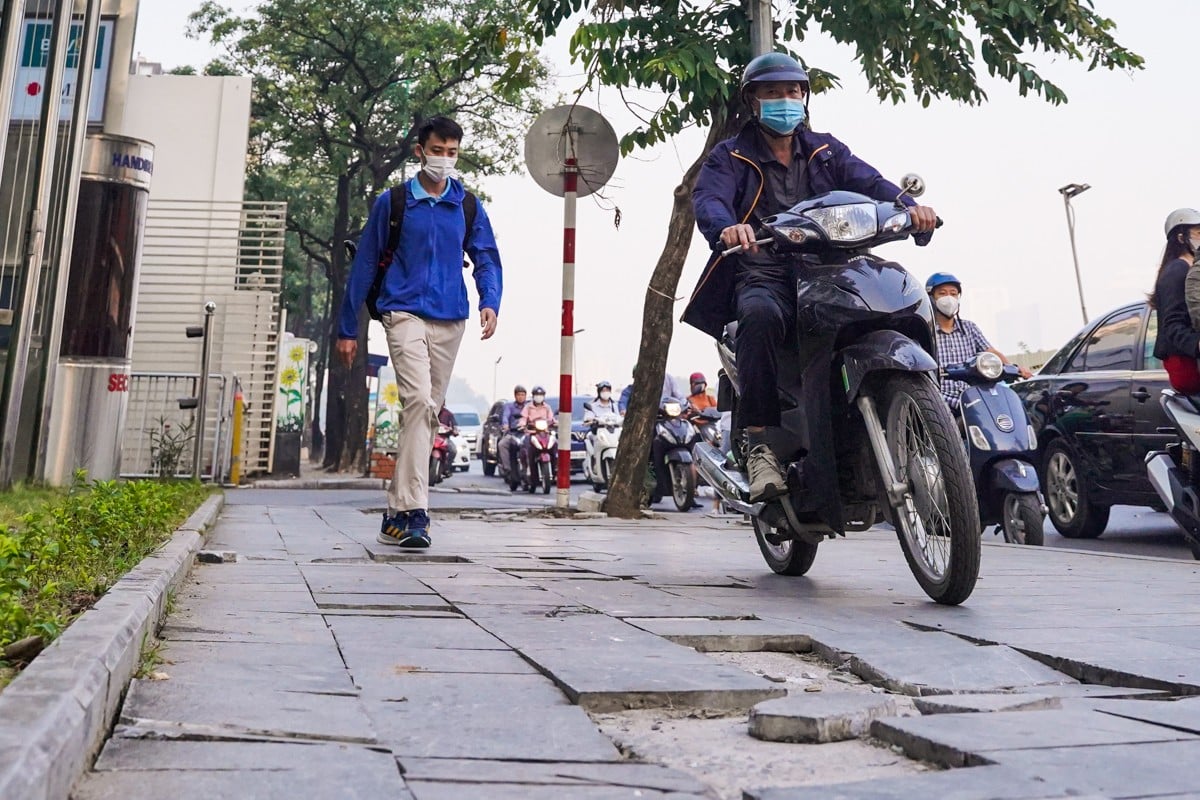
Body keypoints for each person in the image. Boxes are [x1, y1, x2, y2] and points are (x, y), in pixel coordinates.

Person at [683, 52, 939, 502]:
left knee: (893, 297)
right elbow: (709, 200)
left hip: (831, 269)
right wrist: (727, 227)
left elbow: (869, 181)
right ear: (753, 101)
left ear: (805, 97)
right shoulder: (729, 155)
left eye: (794, 91)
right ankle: (761, 443)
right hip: (764, 270)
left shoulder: (825, 149)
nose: (786, 100)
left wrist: (908, 206)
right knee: (758, 317)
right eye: (773, 93)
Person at [337, 116, 502, 549]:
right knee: (419, 400)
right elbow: (365, 264)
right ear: (419, 151)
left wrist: (490, 300)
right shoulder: (392, 203)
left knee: (428, 411)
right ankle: (415, 513)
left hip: (451, 316)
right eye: (437, 151)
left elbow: (486, 257)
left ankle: (395, 511)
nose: (444, 160)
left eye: (452, 153)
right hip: (402, 311)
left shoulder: (467, 206)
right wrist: (347, 326)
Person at [926, 273, 1031, 411]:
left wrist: (1013, 368)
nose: (949, 298)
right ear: (932, 298)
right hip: (941, 400)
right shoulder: (927, 331)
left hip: (973, 397)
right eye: (942, 293)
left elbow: (990, 352)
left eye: (953, 293)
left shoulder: (969, 328)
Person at [1152, 208, 1200, 393]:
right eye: (1198, 233)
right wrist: (1196, 344)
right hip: (1186, 364)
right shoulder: (1177, 270)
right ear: (1181, 238)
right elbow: (1172, 324)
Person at [517, 386, 556, 486]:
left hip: (544, 433)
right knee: (526, 448)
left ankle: (555, 469)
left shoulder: (547, 407)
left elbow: (551, 418)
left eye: (541, 395)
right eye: (537, 395)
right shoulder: (528, 407)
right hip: (531, 433)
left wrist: (555, 423)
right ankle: (528, 471)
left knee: (555, 445)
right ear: (533, 396)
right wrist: (522, 424)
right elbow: (523, 418)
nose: (539, 397)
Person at [497, 384, 528, 480]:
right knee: (502, 444)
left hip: (526, 433)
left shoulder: (529, 406)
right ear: (515, 396)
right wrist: (505, 425)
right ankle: (508, 469)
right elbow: (505, 416)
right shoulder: (509, 406)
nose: (521, 397)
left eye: (523, 395)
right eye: (519, 395)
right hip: (513, 433)